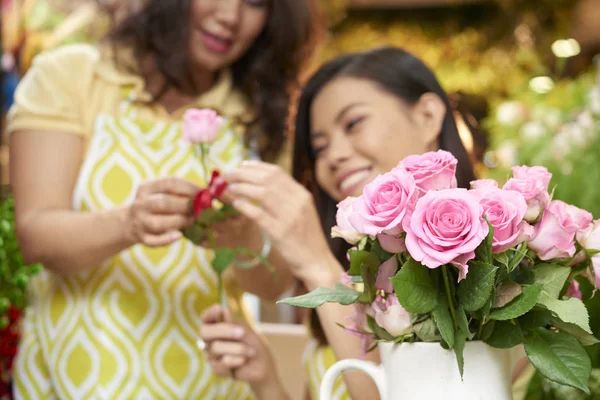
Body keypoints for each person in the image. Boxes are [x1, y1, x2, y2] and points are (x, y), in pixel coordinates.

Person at [7, 0, 317, 398]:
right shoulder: (71, 76)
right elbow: (35, 236)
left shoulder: (261, 116)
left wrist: (241, 239)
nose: (230, 16)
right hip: (75, 377)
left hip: (211, 382)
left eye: (255, 2)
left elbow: (273, 287)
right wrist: (128, 223)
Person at [199, 47, 481, 400]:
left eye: (353, 124)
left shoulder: (494, 263)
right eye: (319, 148)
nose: (334, 156)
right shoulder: (356, 276)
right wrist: (265, 378)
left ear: (427, 116)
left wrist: (317, 266)